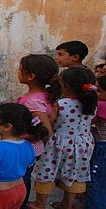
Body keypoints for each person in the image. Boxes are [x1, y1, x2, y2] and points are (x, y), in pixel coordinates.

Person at [29, 68, 97, 209]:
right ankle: (67, 204)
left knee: (46, 170)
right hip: (83, 144)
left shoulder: (60, 104)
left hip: (59, 143)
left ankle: (39, 204)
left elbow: (51, 122)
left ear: (65, 86)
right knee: (75, 171)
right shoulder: (91, 103)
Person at [16, 54, 62, 209]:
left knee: (22, 178)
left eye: (20, 70)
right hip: (31, 147)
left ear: (30, 76)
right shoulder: (45, 96)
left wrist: (18, 136)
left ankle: (21, 204)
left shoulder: (32, 101)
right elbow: (50, 120)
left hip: (27, 148)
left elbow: (46, 131)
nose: (18, 72)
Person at [85, 75, 106, 208]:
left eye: (99, 91)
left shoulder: (101, 105)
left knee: (96, 183)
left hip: (102, 148)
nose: (96, 94)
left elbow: (89, 119)